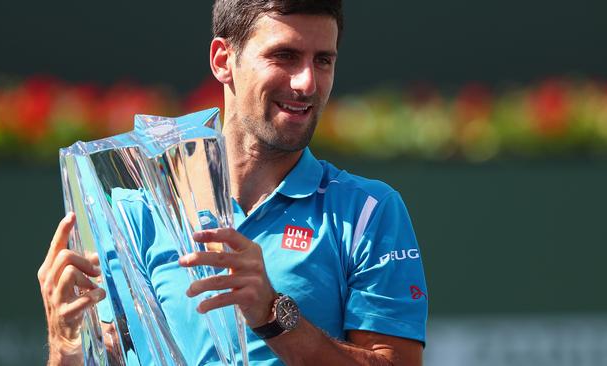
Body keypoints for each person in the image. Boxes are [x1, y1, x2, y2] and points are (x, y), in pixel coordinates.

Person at [37, 1, 428, 365]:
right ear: (224, 60)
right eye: (285, 56)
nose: (307, 83)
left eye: (322, 60)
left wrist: (273, 314)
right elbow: (107, 353)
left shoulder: (369, 211)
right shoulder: (137, 213)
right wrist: (65, 345)